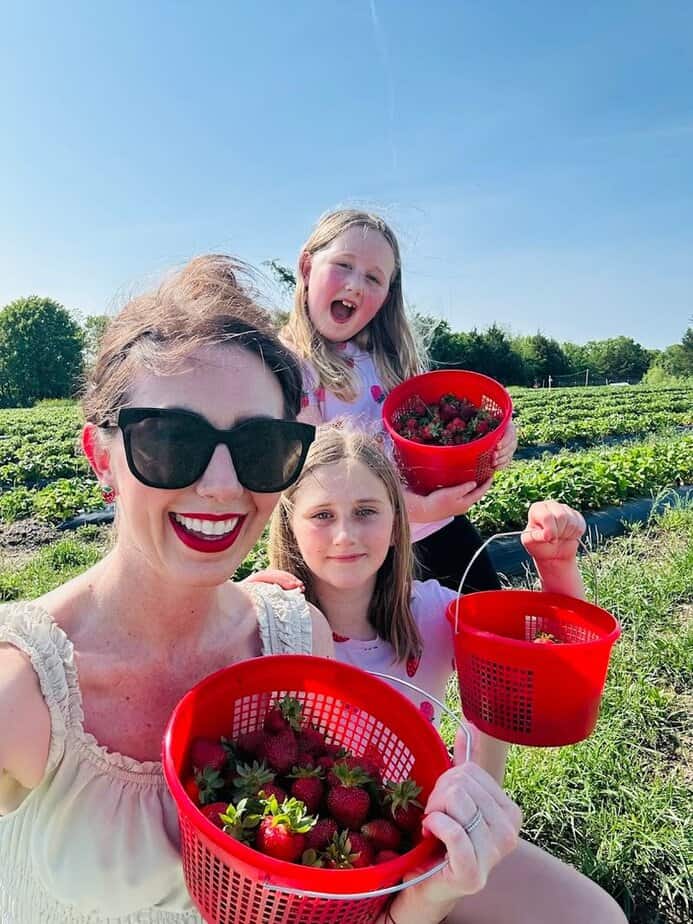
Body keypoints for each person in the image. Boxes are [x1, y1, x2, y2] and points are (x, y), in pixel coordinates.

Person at [0, 255, 558, 924]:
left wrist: (428, 894)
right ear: (100, 457)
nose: (221, 485)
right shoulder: (22, 692)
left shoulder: (297, 640)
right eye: (170, 439)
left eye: (262, 446)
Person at [259, 422, 627, 924]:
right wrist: (238, 610)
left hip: (430, 832)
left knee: (597, 917)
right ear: (290, 524)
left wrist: (557, 567)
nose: (345, 535)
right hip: (314, 853)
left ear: (396, 520)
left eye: (366, 511)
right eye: (322, 515)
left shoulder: (432, 612)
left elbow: (554, 670)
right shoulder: (273, 620)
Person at [281, 208, 518, 595]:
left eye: (373, 278)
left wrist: (498, 435)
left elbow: (443, 426)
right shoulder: (291, 367)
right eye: (343, 265)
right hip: (362, 551)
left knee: (484, 619)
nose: (355, 285)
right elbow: (317, 474)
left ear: (386, 297)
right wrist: (419, 509)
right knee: (398, 633)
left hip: (441, 530)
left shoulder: (388, 360)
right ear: (307, 267)